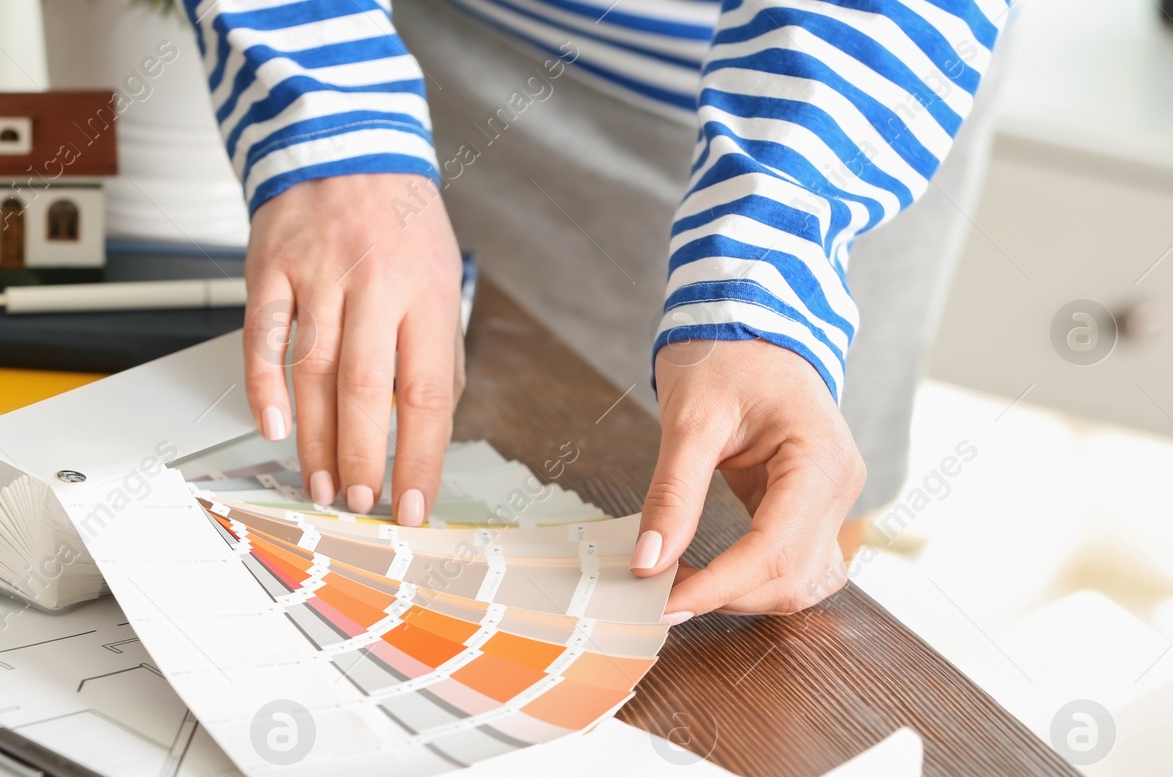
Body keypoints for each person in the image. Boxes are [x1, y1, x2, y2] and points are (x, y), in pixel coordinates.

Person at [180, 0, 1009, 621]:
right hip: (447, 49)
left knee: (765, 538)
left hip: (842, 97)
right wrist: (332, 116)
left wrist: (768, 274)